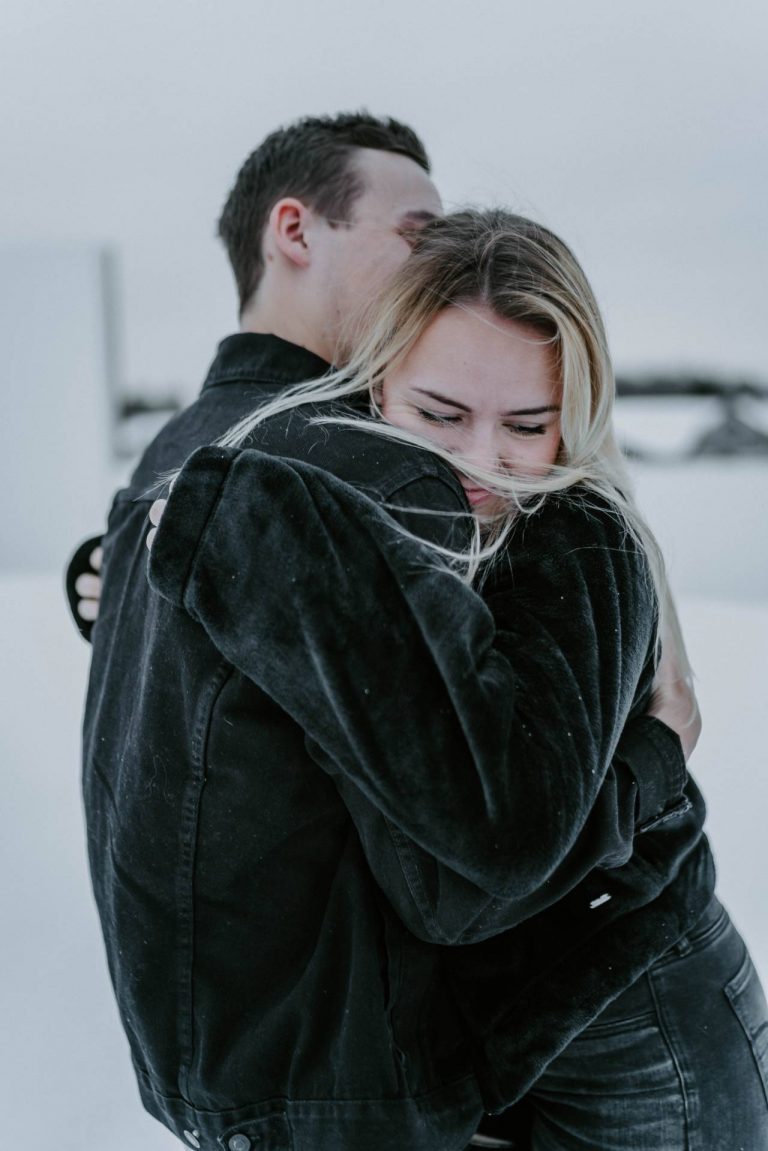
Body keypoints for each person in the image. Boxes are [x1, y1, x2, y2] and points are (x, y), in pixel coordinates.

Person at [70, 113, 703, 1151]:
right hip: (383, 1052)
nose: (440, 255)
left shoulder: (191, 446)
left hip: (310, 1051)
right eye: (418, 232)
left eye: (526, 422)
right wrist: (657, 752)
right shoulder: (346, 463)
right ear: (294, 230)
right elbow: (473, 849)